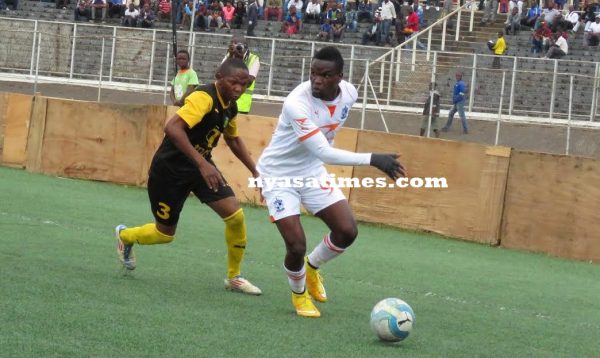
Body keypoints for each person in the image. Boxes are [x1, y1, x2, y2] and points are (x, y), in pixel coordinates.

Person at [256, 46, 406, 318]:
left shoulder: (350, 93)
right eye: (313, 73)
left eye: (324, 75)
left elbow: (328, 137)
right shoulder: (296, 103)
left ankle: (312, 268)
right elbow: (323, 151)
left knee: (347, 231)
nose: (316, 80)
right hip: (279, 175)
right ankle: (299, 295)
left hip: (311, 172)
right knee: (296, 244)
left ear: (339, 76)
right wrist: (374, 159)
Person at [115, 58, 262, 296]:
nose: (239, 89)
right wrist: (203, 163)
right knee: (164, 235)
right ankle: (125, 235)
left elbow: (233, 139)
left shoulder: (231, 107)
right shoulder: (204, 97)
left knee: (235, 216)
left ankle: (234, 277)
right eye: (234, 82)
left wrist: (256, 171)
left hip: (200, 167)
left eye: (244, 84)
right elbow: (172, 128)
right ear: (219, 76)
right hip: (170, 170)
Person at [223, 36, 260, 114]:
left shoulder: (253, 59)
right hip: (225, 101)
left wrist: (239, 60)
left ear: (246, 47)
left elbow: (249, 82)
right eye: (235, 46)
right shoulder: (229, 56)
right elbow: (220, 75)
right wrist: (231, 57)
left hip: (242, 105)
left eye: (239, 46)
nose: (238, 48)